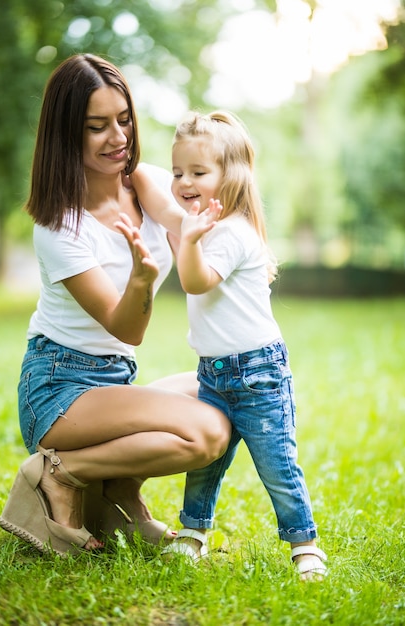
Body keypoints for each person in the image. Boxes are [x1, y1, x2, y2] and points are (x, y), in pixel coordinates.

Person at [0, 55, 231, 556]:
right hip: (59, 390)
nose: (118, 137)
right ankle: (60, 473)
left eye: (123, 119)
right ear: (66, 134)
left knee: (225, 389)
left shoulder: (142, 182)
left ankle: (121, 500)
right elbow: (127, 328)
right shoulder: (58, 227)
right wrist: (143, 280)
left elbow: (183, 227)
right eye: (96, 126)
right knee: (206, 433)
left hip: (112, 383)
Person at [159, 110, 328, 580]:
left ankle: (304, 543)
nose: (184, 182)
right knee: (206, 463)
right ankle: (193, 533)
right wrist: (185, 233)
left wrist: (186, 240)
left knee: (277, 464)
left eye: (197, 172)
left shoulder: (231, 232)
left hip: (258, 374)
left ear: (229, 176)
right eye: (178, 172)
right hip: (213, 373)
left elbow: (195, 282)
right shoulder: (206, 228)